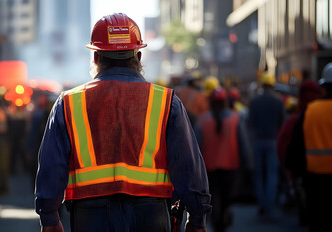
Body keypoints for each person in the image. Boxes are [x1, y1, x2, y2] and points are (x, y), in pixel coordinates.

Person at [35, 13, 211, 232]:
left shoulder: (68, 103)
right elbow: (188, 165)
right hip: (151, 212)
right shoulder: (166, 102)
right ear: (138, 56)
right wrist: (197, 217)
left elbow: (52, 165)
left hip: (90, 214)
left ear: (96, 58)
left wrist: (49, 218)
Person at [286, 63, 332, 232]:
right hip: (314, 177)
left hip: (314, 179)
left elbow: (296, 145)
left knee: (318, 221)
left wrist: (295, 172)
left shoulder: (310, 111)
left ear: (324, 88)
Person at [196, 88, 248, 232]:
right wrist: (248, 163)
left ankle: (216, 220)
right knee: (227, 195)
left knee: (213, 195)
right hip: (231, 165)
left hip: (209, 167)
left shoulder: (203, 120)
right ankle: (224, 217)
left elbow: (196, 146)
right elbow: (243, 143)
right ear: (225, 102)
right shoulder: (236, 118)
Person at [248, 73, 285, 220]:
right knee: (271, 174)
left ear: (262, 85)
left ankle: (262, 204)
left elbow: (250, 122)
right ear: (272, 85)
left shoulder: (254, 101)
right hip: (272, 141)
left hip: (258, 141)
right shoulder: (278, 102)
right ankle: (270, 205)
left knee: (259, 174)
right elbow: (282, 123)